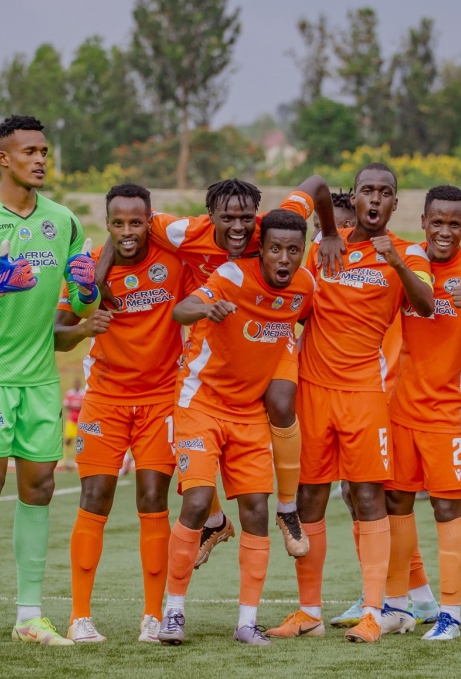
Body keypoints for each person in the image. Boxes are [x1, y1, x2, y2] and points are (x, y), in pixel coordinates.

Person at [96, 176, 342, 563]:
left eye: (247, 218)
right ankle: (213, 519)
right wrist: (98, 277)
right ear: (210, 217)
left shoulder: (274, 225)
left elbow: (316, 184)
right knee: (195, 421)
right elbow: (126, 225)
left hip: (269, 331)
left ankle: (288, 507)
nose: (239, 227)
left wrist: (328, 232)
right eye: (228, 218)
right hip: (214, 335)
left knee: (280, 401)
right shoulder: (183, 232)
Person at [0, 115, 100, 651]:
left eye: (44, 151)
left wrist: (85, 290)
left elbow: (80, 308)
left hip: (39, 380)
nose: (40, 160)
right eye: (29, 151)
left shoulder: (64, 221)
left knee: (41, 488)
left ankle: (29, 614)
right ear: (3, 158)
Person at [267, 162, 435, 644]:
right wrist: (325, 231)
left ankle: (374, 611)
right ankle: (309, 612)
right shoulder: (324, 248)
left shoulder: (408, 252)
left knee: (367, 498)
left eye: (385, 192)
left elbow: (424, 305)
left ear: (396, 204)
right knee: (310, 499)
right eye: (367, 191)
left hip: (364, 393)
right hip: (313, 392)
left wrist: (397, 262)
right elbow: (315, 186)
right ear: (356, 198)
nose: (375, 199)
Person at [157, 209, 316, 646]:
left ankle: (246, 622)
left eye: (294, 251)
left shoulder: (305, 286)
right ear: (260, 249)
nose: (284, 259)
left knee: (255, 514)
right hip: (201, 403)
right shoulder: (231, 275)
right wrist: (209, 306)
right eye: (276, 249)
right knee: (197, 500)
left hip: (248, 414)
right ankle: (173, 613)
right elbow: (181, 310)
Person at [54, 183, 189, 644]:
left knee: (153, 500)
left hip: (159, 401)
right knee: (95, 500)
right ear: (107, 223)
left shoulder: (175, 262)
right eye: (118, 223)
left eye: (137, 222)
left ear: (151, 220)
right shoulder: (86, 268)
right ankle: (79, 617)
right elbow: (58, 332)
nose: (128, 231)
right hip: (105, 400)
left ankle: (153, 616)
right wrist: (85, 322)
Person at [383, 186, 461, 641]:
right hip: (400, 407)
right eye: (437, 222)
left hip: (448, 414)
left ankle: (450, 616)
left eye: (454, 223)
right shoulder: (409, 261)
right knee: (394, 502)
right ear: (423, 221)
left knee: (445, 507)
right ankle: (396, 607)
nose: (445, 231)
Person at [62, 379, 86, 468]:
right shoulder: (70, 393)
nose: (76, 385)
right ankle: (64, 460)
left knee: (80, 440)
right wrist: (77, 406)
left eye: (78, 383)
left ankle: (80, 460)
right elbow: (66, 405)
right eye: (75, 383)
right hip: (71, 419)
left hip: (81, 419)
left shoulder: (83, 393)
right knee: (68, 439)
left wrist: (74, 406)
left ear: (79, 384)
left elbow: (84, 405)